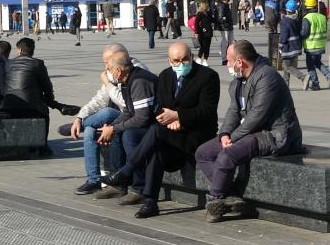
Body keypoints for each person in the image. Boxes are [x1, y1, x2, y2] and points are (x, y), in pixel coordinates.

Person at [100, 42, 220, 218]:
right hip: (171, 132)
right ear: (169, 60)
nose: (181, 64)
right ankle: (150, 202)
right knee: (156, 150)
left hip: (196, 134)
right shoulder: (165, 76)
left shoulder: (208, 76)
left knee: (156, 132)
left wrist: (180, 117)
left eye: (185, 59)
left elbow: (207, 111)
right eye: (176, 61)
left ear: (192, 57)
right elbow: (158, 108)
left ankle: (127, 171)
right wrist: (170, 119)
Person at [195, 40, 303, 223]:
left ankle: (215, 201)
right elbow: (233, 110)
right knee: (203, 153)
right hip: (250, 131)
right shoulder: (239, 81)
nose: (227, 65)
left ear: (240, 61)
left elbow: (257, 116)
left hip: (274, 134)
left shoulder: (267, 77)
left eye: (228, 61)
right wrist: (224, 134)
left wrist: (233, 139)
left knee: (227, 155)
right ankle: (231, 195)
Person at [70, 47, 149, 196]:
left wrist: (107, 83)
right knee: (89, 130)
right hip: (122, 115)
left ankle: (77, 126)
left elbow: (127, 103)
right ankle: (94, 180)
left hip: (128, 115)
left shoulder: (135, 71)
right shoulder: (112, 71)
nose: (105, 67)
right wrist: (79, 117)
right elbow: (99, 99)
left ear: (118, 58)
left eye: (107, 62)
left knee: (106, 113)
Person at [91, 45, 158, 204]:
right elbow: (129, 111)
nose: (107, 73)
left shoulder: (139, 82)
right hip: (146, 121)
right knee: (116, 130)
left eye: (109, 69)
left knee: (129, 134)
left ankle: (139, 188)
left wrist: (115, 127)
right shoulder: (127, 80)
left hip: (156, 126)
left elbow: (142, 118)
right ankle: (118, 185)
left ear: (118, 71)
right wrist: (112, 127)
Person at [300, 0, 330, 91]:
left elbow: (304, 33)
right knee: (317, 62)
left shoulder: (307, 18)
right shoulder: (322, 17)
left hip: (311, 46)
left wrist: (299, 36)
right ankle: (328, 75)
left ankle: (315, 84)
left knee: (310, 66)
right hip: (321, 45)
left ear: (306, 6)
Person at [278, 0, 308, 86]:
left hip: (288, 48)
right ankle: (285, 85)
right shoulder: (297, 20)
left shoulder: (285, 21)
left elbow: (284, 35)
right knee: (285, 66)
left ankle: (303, 77)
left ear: (287, 10)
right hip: (296, 47)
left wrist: (280, 45)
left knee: (287, 66)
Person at [214, 0, 234, 65]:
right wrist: (223, 20)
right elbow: (220, 17)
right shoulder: (221, 6)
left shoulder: (225, 5)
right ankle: (224, 58)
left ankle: (229, 57)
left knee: (230, 41)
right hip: (224, 26)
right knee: (225, 41)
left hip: (228, 25)